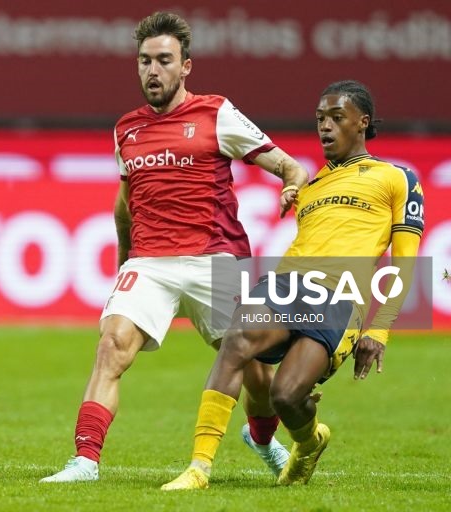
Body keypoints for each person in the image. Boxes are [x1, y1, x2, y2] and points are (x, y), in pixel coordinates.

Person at [40, 11, 308, 483]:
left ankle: (262, 438)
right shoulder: (126, 129)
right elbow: (125, 204)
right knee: (111, 346)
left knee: (257, 376)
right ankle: (85, 462)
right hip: (151, 261)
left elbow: (290, 167)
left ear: (186, 66)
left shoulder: (217, 113)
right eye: (144, 60)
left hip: (217, 258)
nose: (152, 70)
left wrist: (290, 186)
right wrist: (126, 255)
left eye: (164, 60)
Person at [162, 79, 425, 490]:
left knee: (287, 396)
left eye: (337, 118)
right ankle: (199, 468)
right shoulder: (311, 185)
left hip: (339, 298)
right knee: (238, 339)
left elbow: (405, 262)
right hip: (286, 283)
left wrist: (381, 327)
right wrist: (291, 192)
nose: (325, 126)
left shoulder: (398, 178)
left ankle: (309, 441)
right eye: (320, 118)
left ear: (363, 123)